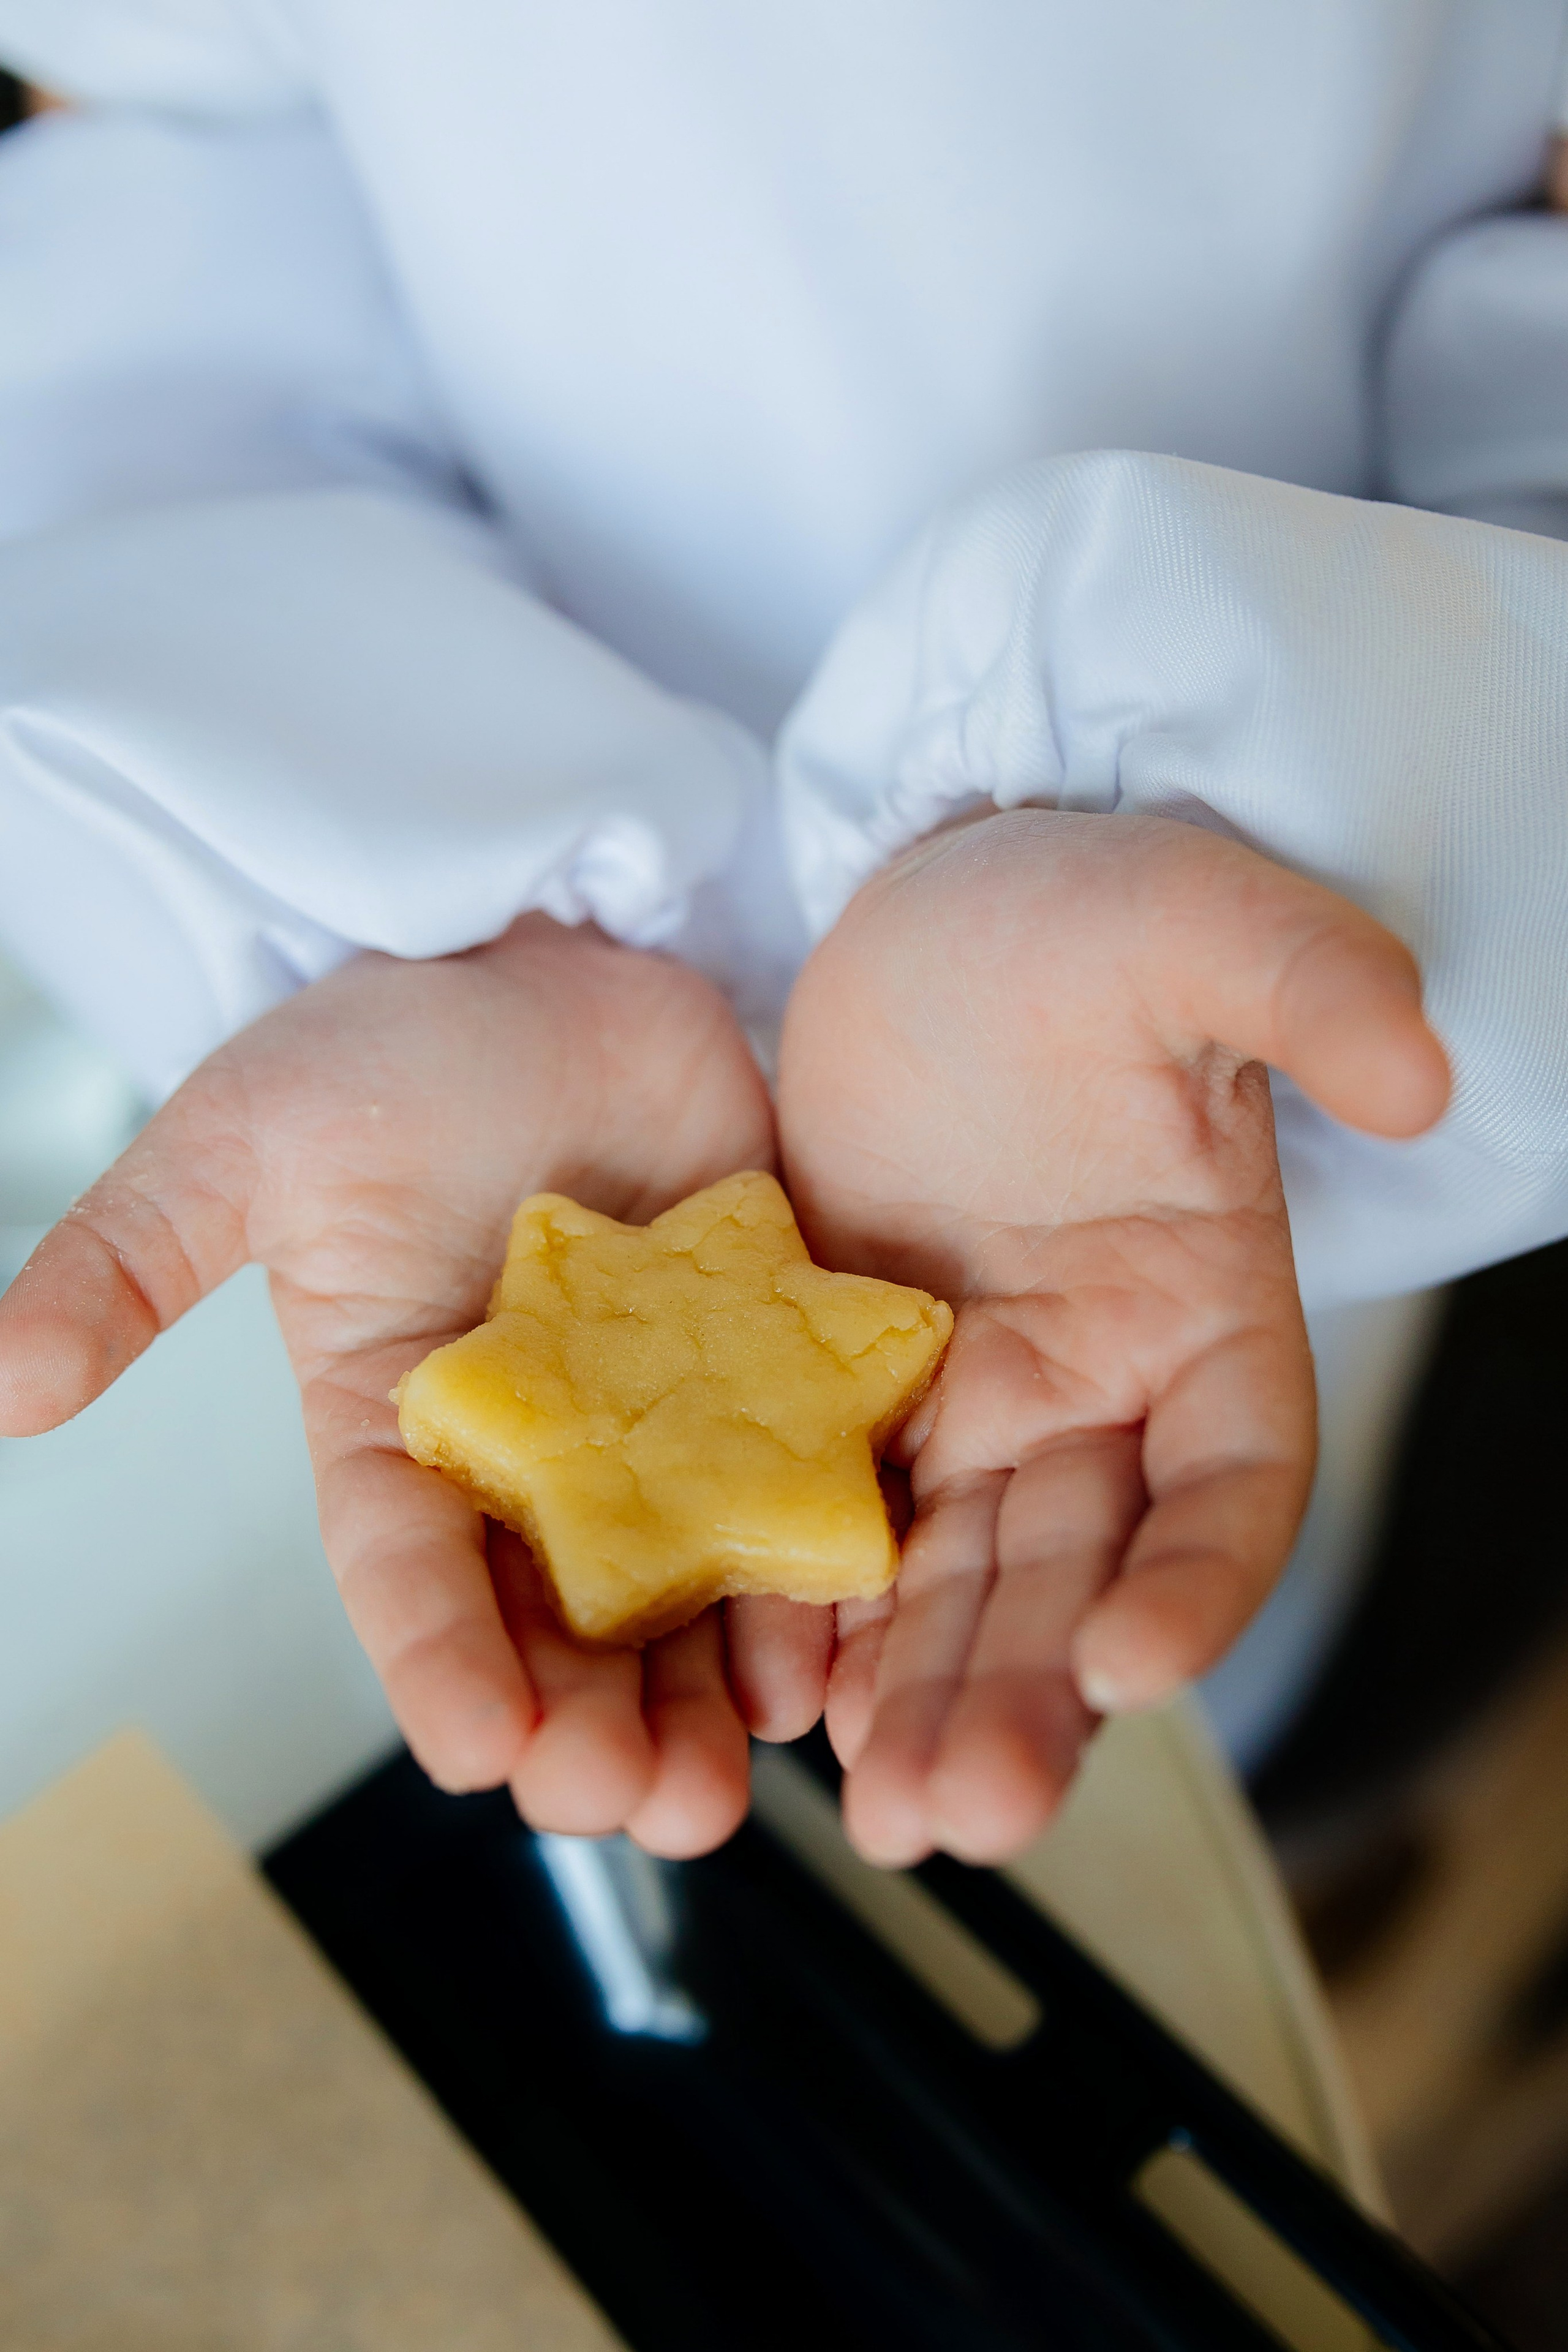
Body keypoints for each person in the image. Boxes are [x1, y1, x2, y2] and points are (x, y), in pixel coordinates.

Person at [0, 5, 1564, 1866]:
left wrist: (1363, 789)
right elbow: (175, 166)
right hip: (491, 821)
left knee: (1139, 1667)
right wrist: (416, 883)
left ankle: (1253, 1795)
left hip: (1206, 988)